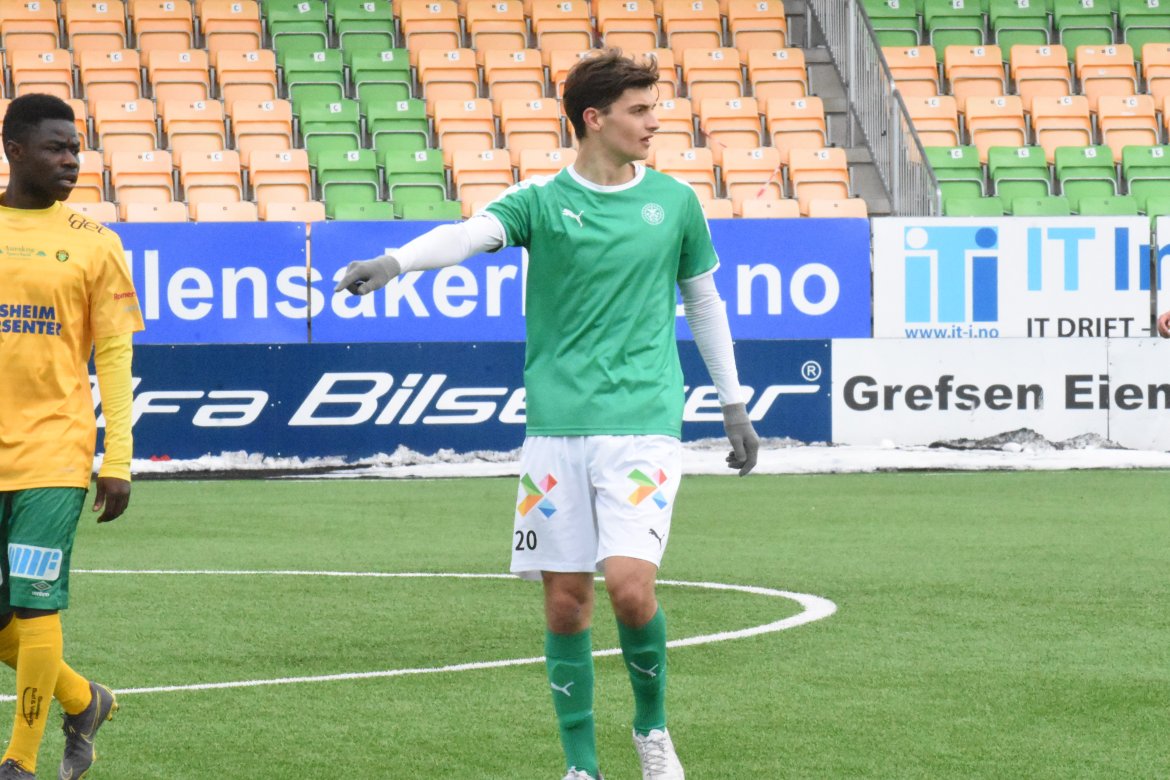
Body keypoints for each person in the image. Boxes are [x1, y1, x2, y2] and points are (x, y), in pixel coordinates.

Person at [336, 49, 759, 780]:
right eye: (639, 110)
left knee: (630, 588)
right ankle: (581, 767)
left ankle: (652, 732)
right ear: (593, 119)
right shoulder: (539, 200)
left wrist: (733, 403)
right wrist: (395, 262)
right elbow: (466, 235)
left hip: (644, 424)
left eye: (653, 109)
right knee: (566, 604)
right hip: (556, 431)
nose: (654, 123)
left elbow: (704, 301)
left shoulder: (675, 203)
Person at [0, 94, 143, 779]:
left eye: (76, 150)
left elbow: (113, 354)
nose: (72, 161)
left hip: (54, 451)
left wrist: (119, 458)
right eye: (57, 148)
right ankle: (84, 701)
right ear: (15, 150)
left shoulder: (95, 241)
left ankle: (19, 763)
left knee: (34, 605)